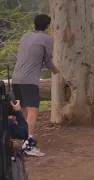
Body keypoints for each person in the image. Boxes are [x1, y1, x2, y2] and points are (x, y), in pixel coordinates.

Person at [11, 14, 60, 157]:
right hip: (29, 81)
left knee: (24, 111)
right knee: (32, 113)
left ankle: (25, 140)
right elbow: (48, 61)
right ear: (47, 26)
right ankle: (29, 143)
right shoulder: (47, 39)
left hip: (16, 79)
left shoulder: (25, 37)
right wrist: (57, 71)